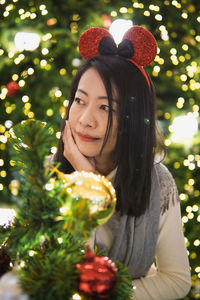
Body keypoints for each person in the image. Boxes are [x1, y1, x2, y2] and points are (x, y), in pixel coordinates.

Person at [55, 26, 191, 299]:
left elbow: (177, 280)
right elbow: (61, 276)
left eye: (106, 107)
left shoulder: (157, 183)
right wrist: (86, 180)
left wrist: (109, 295)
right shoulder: (53, 173)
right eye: (80, 101)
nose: (85, 119)